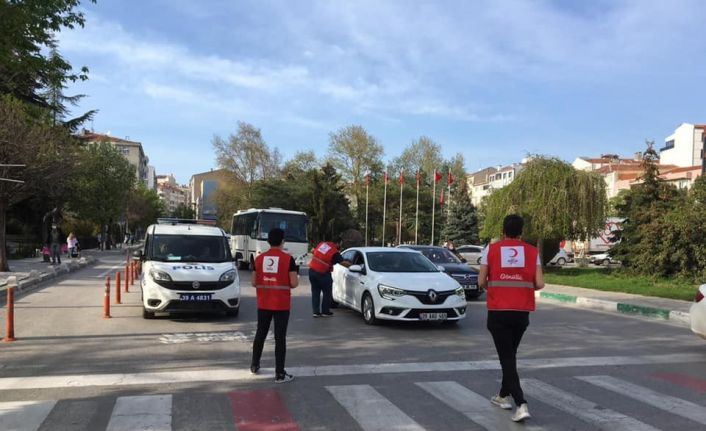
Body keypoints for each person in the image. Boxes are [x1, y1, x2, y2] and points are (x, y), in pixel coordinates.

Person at [478, 214, 544, 423]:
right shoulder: (533, 252)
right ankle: (501, 396)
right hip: (521, 312)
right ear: (521, 231)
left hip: (499, 312)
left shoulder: (492, 250)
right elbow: (540, 283)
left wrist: (497, 289)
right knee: (510, 356)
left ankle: (521, 403)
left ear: (503, 231)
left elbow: (481, 281)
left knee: (507, 358)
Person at [250, 228, 299, 383]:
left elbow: (253, 282)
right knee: (280, 338)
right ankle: (279, 374)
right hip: (281, 305)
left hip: (263, 303)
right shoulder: (288, 259)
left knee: (260, 334)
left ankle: (254, 365)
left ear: (268, 241)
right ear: (283, 241)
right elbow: (293, 283)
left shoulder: (258, 259)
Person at [308, 237, 350, 317]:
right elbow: (342, 262)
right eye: (340, 244)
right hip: (322, 273)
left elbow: (313, 251)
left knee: (315, 292)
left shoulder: (322, 244)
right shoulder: (334, 251)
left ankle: (316, 312)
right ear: (337, 243)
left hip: (312, 271)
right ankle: (325, 311)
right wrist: (352, 265)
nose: (340, 245)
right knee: (327, 293)